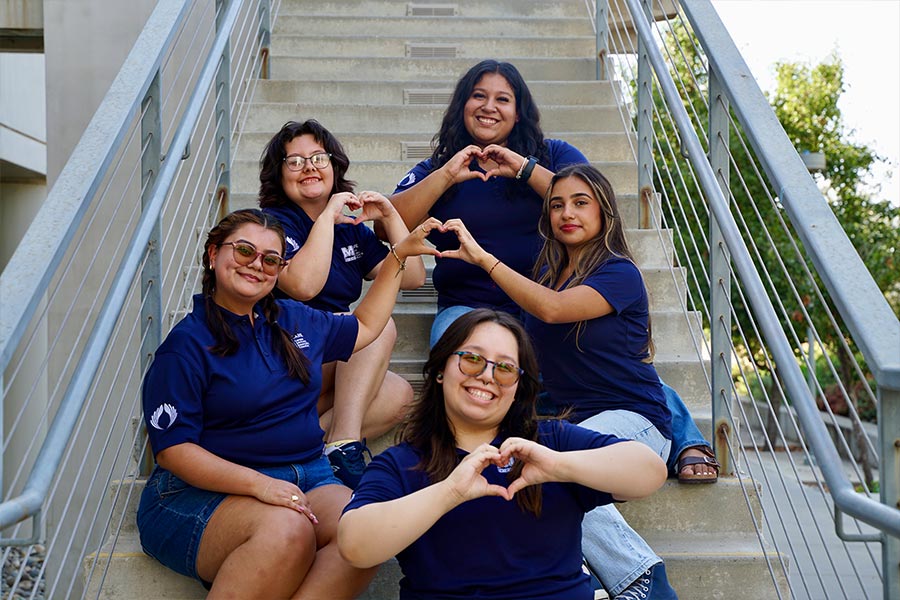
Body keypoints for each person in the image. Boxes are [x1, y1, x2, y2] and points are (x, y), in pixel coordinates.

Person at [390, 59, 718, 485]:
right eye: (479, 96)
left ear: (520, 110)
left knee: (605, 367)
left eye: (503, 99)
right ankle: (455, 457)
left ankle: (682, 438)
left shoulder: (553, 154)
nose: (490, 107)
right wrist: (446, 175)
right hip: (469, 305)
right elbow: (390, 222)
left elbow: (586, 196)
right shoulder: (437, 167)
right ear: (461, 106)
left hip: (548, 299)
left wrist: (523, 168)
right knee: (460, 363)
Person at [137, 209, 439, 598]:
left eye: (270, 259)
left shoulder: (293, 319)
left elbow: (365, 326)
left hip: (308, 472)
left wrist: (396, 258)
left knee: (363, 527)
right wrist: (261, 485)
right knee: (288, 530)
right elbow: (175, 453)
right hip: (198, 492)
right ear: (213, 254)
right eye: (244, 251)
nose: (256, 265)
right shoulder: (186, 346)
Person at [442, 164, 695, 598]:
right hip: (570, 421)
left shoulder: (620, 273)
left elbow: (553, 310)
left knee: (557, 469)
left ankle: (642, 580)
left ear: (604, 213)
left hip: (636, 423)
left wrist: (483, 258)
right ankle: (586, 582)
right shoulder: (545, 274)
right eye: (556, 204)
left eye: (581, 203)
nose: (566, 213)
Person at [337, 309, 668, 600]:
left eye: (506, 368)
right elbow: (355, 546)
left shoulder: (549, 443)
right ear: (440, 370)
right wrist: (450, 491)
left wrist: (558, 465)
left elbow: (649, 472)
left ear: (517, 389)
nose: (487, 375)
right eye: (472, 359)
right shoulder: (401, 463)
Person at [259, 119, 426, 488]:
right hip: (282, 359)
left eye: (318, 158)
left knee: (399, 394)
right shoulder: (271, 226)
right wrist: (327, 219)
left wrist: (389, 215)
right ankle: (343, 444)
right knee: (371, 327)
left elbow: (413, 277)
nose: (309, 168)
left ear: (334, 166)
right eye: (295, 161)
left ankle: (303, 447)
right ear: (279, 175)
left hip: (322, 369)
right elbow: (303, 285)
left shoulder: (350, 229)